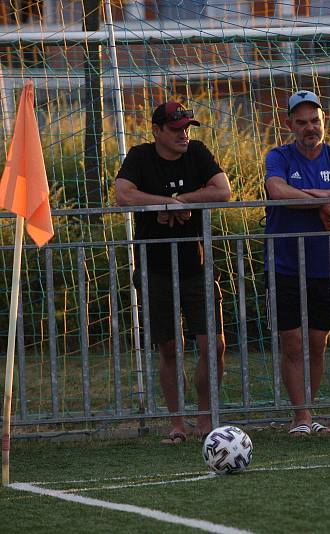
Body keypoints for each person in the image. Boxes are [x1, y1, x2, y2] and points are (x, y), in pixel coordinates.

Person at [115, 101, 232, 443]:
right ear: (157, 131)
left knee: (213, 344)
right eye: (176, 128)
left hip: (196, 265)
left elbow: (222, 190)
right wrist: (161, 204)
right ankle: (177, 423)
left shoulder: (197, 152)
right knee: (169, 348)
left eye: (187, 127)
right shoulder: (139, 156)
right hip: (155, 268)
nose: (184, 134)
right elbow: (123, 194)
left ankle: (205, 417)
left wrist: (182, 200)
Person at [264, 90, 330, 436]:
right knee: (292, 342)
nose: (310, 128)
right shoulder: (278, 156)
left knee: (316, 342)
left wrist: (324, 197)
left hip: (324, 267)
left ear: (325, 122)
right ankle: (301, 416)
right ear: (289, 124)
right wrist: (322, 205)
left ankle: (311, 410)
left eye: (315, 121)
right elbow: (277, 192)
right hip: (284, 266)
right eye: (302, 122)